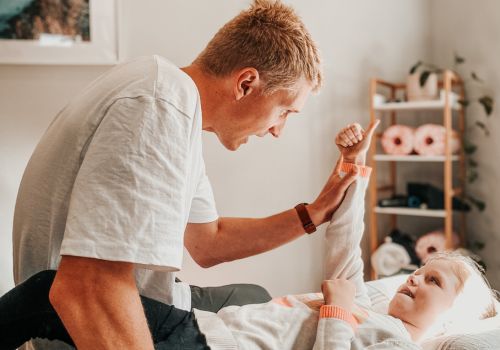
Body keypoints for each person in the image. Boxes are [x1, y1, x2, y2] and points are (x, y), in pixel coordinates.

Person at [11, 1, 359, 349]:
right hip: (80, 326)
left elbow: (209, 241)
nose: (277, 130)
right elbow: (90, 287)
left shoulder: (170, 98)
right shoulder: (159, 104)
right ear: (246, 83)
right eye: (284, 111)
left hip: (142, 300)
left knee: (256, 297)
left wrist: (313, 213)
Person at [3, 121, 497, 349]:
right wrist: (353, 168)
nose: (414, 279)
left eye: (433, 284)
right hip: (205, 329)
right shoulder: (368, 305)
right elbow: (346, 243)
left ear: (450, 315)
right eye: (421, 271)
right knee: (54, 291)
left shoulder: (396, 343)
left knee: (53, 295)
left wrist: (337, 309)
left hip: (204, 345)